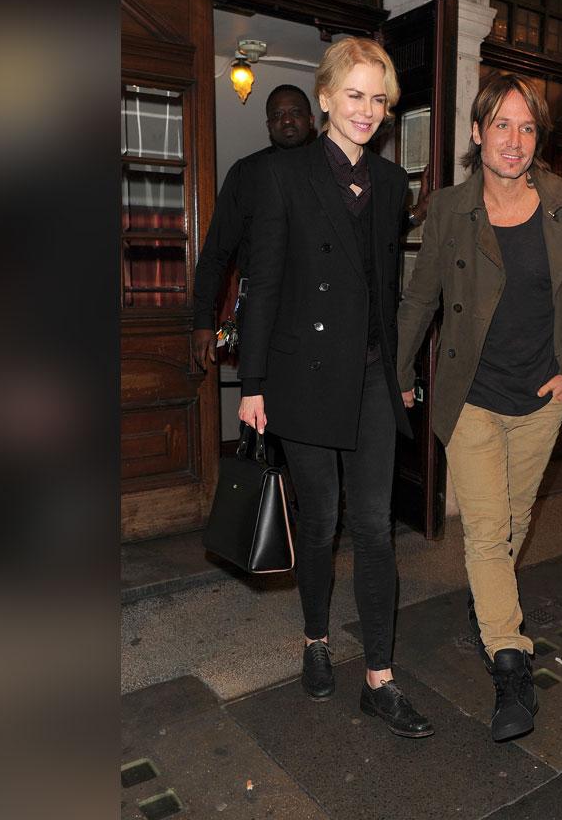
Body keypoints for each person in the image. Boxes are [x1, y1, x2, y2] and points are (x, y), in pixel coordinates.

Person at [395, 72, 562, 742]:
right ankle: (512, 671)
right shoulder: (451, 209)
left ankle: (490, 609)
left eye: (527, 127)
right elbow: (421, 297)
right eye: (502, 125)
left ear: (537, 139)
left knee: (510, 526)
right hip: (475, 398)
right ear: (478, 132)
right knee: (486, 535)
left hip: (541, 396)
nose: (514, 141)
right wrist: (397, 371)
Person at [237, 37, 433, 738]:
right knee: (320, 525)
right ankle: (316, 640)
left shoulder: (390, 185)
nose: (367, 111)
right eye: (354, 95)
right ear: (324, 98)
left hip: (373, 377)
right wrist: (252, 382)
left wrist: (402, 375)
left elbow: (390, 288)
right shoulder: (284, 177)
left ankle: (379, 677)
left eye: (379, 99)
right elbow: (262, 285)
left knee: (376, 528)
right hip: (304, 377)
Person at [189, 85, 316, 370]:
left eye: (295, 112)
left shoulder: (330, 172)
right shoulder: (247, 173)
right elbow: (216, 252)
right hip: (263, 316)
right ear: (269, 124)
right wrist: (202, 321)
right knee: (259, 407)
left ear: (311, 120)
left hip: (317, 315)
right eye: (278, 115)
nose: (287, 120)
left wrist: (412, 218)